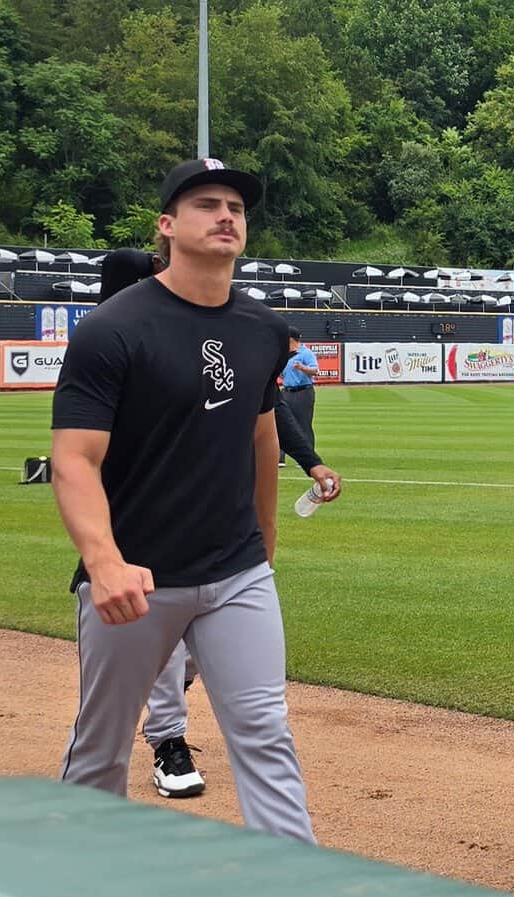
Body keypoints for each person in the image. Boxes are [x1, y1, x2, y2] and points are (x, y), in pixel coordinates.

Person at [51, 157, 336, 842]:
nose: (226, 216)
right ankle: (67, 894)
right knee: (101, 748)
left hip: (235, 572)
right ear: (167, 225)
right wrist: (104, 560)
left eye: (236, 206)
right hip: (136, 579)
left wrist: (263, 547)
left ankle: (299, 896)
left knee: (266, 734)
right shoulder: (113, 329)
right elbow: (74, 458)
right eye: (207, 203)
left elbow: (262, 440)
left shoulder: (262, 330)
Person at [90, 248, 341, 799]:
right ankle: (168, 740)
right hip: (139, 529)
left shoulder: (220, 335)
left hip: (221, 536)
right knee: (98, 744)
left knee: (227, 689)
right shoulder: (113, 339)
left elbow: (263, 421)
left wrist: (310, 463)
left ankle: (171, 706)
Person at [279, 327, 318, 463]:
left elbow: (315, 370)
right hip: (286, 391)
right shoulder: (284, 353)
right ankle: (280, 458)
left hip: (303, 392)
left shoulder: (306, 353)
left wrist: (302, 367)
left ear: (290, 339)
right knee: (281, 423)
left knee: (304, 425)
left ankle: (308, 459)